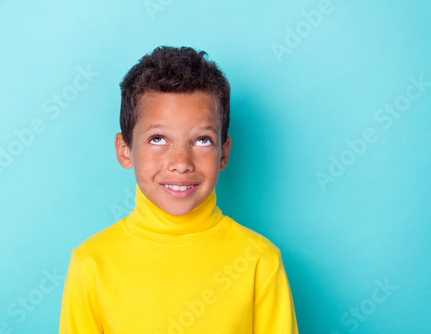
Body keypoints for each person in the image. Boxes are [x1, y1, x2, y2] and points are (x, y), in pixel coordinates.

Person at [59, 46, 299, 333]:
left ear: (223, 154)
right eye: (158, 139)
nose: (181, 163)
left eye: (202, 140)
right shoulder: (91, 263)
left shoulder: (260, 261)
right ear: (125, 151)